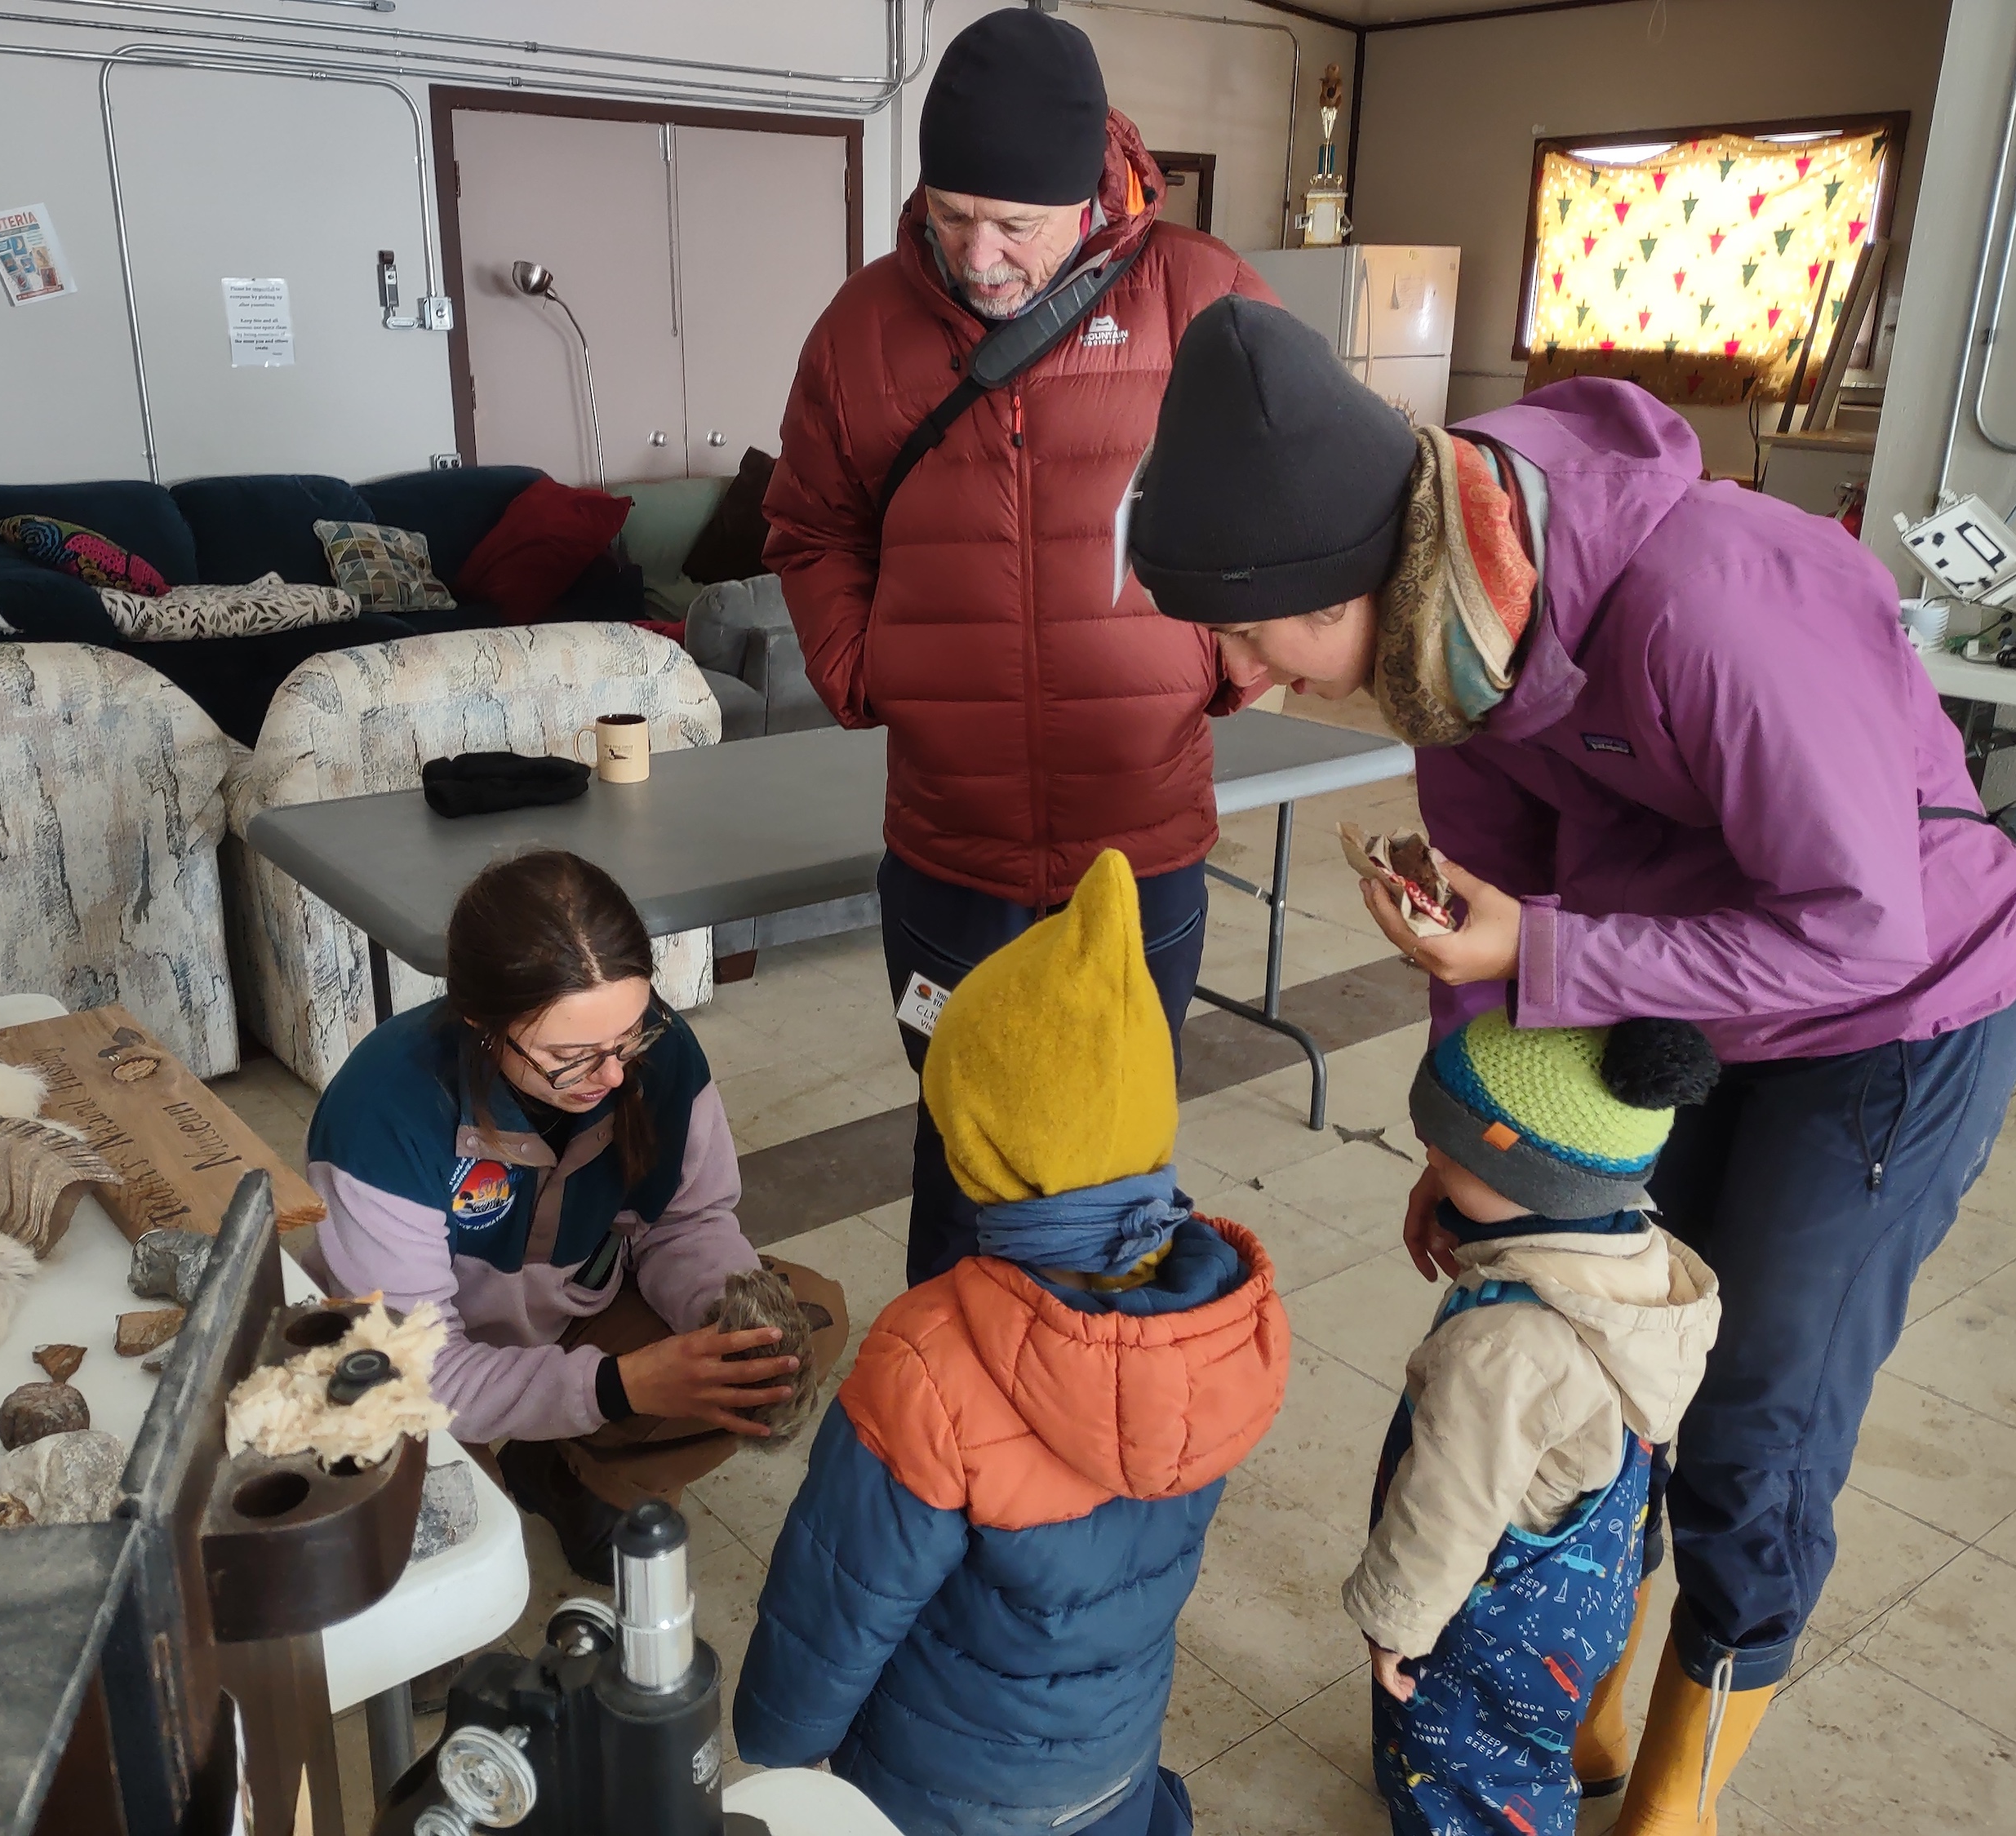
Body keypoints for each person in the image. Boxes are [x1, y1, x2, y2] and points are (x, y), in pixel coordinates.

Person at [1126, 296, 2016, 1832]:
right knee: (1586, 1349)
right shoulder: (1453, 653)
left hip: (1895, 1013)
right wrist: (1462, 1147)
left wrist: (1549, 958)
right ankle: (1590, 1699)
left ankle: (1675, 1790)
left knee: (1754, 1398)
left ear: (1352, 571)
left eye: (1245, 629)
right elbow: (1479, 927)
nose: (1240, 678)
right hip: (1672, 994)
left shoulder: (1708, 605)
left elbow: (1855, 931)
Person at [763, 6, 1275, 1285]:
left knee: (1116, 1149)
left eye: (1017, 227)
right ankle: (952, 1421)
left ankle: (1093, 1418)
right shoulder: (860, 330)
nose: (978, 256)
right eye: (950, 213)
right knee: (961, 1147)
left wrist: (1230, 661)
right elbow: (809, 524)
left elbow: (1310, 513)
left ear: (1090, 194)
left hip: (1139, 841)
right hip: (950, 850)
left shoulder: (1205, 299)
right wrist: (859, 666)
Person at [732, 850, 1290, 1836]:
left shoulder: (929, 1358)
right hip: (1111, 1767)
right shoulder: (1222, 1322)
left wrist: (777, 1742)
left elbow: (842, 1597)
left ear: (977, 1147)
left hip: (936, 1788)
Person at [303, 849, 847, 1583]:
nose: (615, 1076)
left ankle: (575, 1478)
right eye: (572, 1055)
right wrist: (616, 1388)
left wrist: (728, 1319)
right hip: (416, 1363)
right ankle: (517, 1457)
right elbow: (413, 1373)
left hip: (571, 1320)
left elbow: (686, 1224)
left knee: (803, 1321)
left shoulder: (655, 1051)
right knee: (458, 1571)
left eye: (629, 1037)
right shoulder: (385, 1113)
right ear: (482, 1023)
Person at [1353, 1010, 1721, 1836]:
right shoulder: (1639, 1262)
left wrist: (1395, 1623)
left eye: (1447, 1156)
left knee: (1468, 1776)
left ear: (1531, 1185)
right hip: (1585, 1597)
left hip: (1486, 1621)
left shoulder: (1503, 1346)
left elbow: (1446, 1511)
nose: (1430, 1165)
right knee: (1523, 1750)